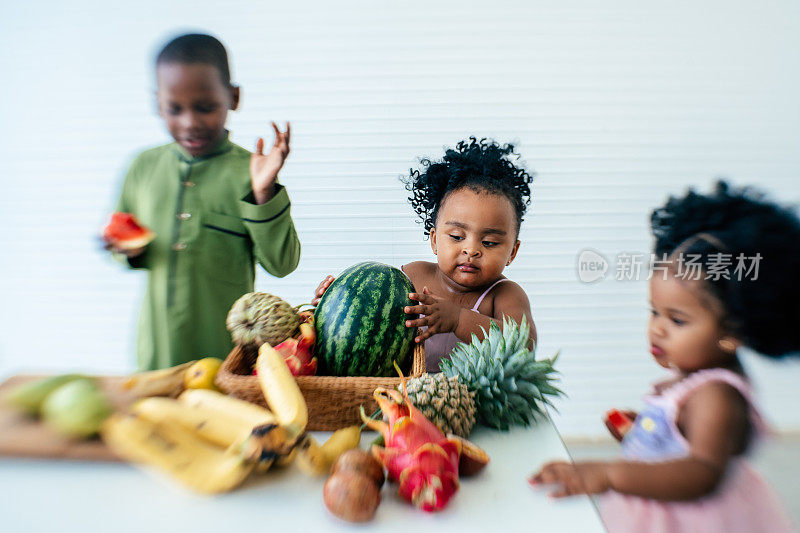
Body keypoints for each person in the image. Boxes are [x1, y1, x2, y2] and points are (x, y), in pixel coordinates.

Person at [530, 181, 799, 532]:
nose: (657, 329)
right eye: (654, 312)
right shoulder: (698, 376)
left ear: (732, 333)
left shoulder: (716, 395)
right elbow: (681, 444)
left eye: (677, 319)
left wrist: (610, 473)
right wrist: (647, 434)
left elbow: (702, 472)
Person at [109, 33, 300, 371]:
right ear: (158, 103)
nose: (190, 122)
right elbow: (121, 247)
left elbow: (282, 264)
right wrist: (126, 249)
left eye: (205, 107)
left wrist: (263, 193)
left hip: (227, 361)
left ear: (233, 97)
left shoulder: (252, 172)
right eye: (174, 109)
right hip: (155, 355)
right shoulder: (141, 168)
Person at [313, 137, 537, 371]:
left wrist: (459, 319)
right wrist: (335, 302)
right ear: (434, 241)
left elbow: (525, 345)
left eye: (489, 242)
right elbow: (370, 316)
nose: (471, 250)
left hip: (475, 405)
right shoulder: (413, 277)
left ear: (512, 251)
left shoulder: (504, 295)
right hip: (408, 401)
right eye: (457, 237)